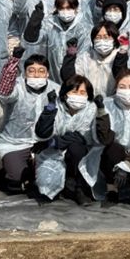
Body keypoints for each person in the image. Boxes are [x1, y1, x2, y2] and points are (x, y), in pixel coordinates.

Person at [0, 52, 60, 193]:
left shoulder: (56, 90)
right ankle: (9, 173)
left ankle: (34, 173)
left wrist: (51, 139)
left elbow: (62, 120)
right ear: (25, 73)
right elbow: (3, 93)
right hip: (14, 143)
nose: (36, 75)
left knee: (50, 180)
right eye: (31, 71)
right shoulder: (17, 86)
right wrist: (13, 61)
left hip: (44, 143)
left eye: (41, 71)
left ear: (48, 73)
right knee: (16, 178)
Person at [90, 69, 130, 206]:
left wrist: (127, 163)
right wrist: (101, 112)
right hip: (115, 153)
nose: (127, 91)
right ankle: (112, 188)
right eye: (122, 87)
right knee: (112, 150)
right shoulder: (108, 104)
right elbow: (105, 139)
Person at [34, 75, 98, 205]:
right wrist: (50, 109)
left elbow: (83, 136)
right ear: (65, 94)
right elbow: (42, 132)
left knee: (76, 147)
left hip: (81, 153)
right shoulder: (55, 105)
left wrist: (54, 142)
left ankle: (80, 187)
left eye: (82, 92)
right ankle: (63, 184)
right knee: (47, 187)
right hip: (53, 152)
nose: (78, 96)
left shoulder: (91, 109)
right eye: (74, 92)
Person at [22, 0, 92, 84]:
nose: (65, 12)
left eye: (69, 8)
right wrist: (33, 25)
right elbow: (35, 42)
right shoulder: (49, 24)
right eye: (62, 8)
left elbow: (84, 56)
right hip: (52, 76)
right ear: (57, 8)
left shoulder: (84, 28)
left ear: (75, 8)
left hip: (75, 77)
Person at [61, 21, 125, 97]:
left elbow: (122, 75)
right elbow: (70, 78)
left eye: (106, 37)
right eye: (98, 37)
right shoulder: (86, 57)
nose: (102, 41)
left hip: (113, 100)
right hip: (88, 100)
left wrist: (122, 54)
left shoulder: (119, 58)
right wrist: (70, 56)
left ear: (114, 40)